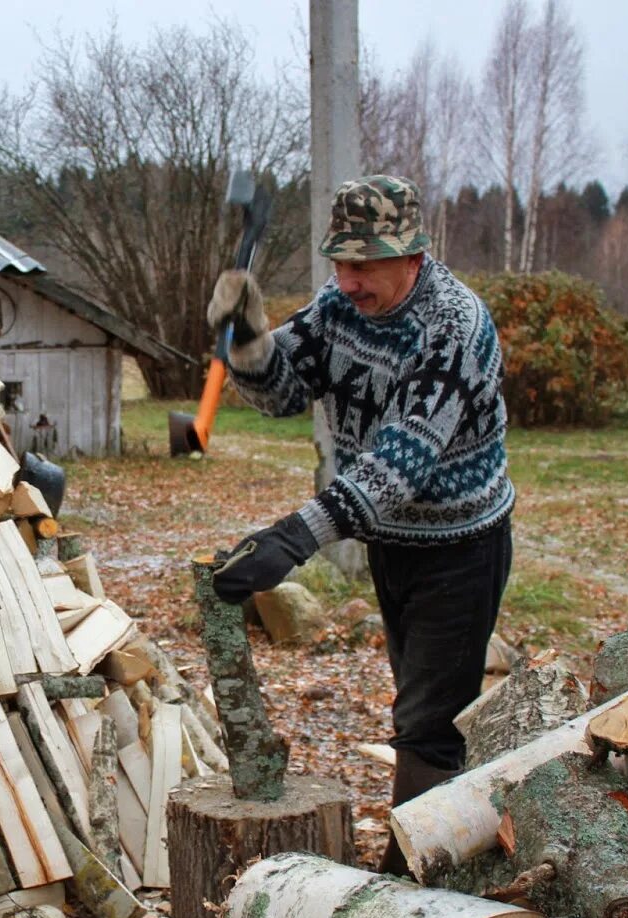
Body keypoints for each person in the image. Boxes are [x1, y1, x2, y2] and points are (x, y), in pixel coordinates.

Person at [207, 174, 515, 876]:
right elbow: (283, 390)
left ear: (411, 256)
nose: (345, 281)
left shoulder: (455, 327)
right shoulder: (337, 307)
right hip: (394, 544)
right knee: (420, 701)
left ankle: (414, 880)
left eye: (362, 265)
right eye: (338, 263)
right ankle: (450, 845)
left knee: (431, 723)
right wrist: (248, 340)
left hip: (462, 542)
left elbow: (399, 463)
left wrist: (293, 538)